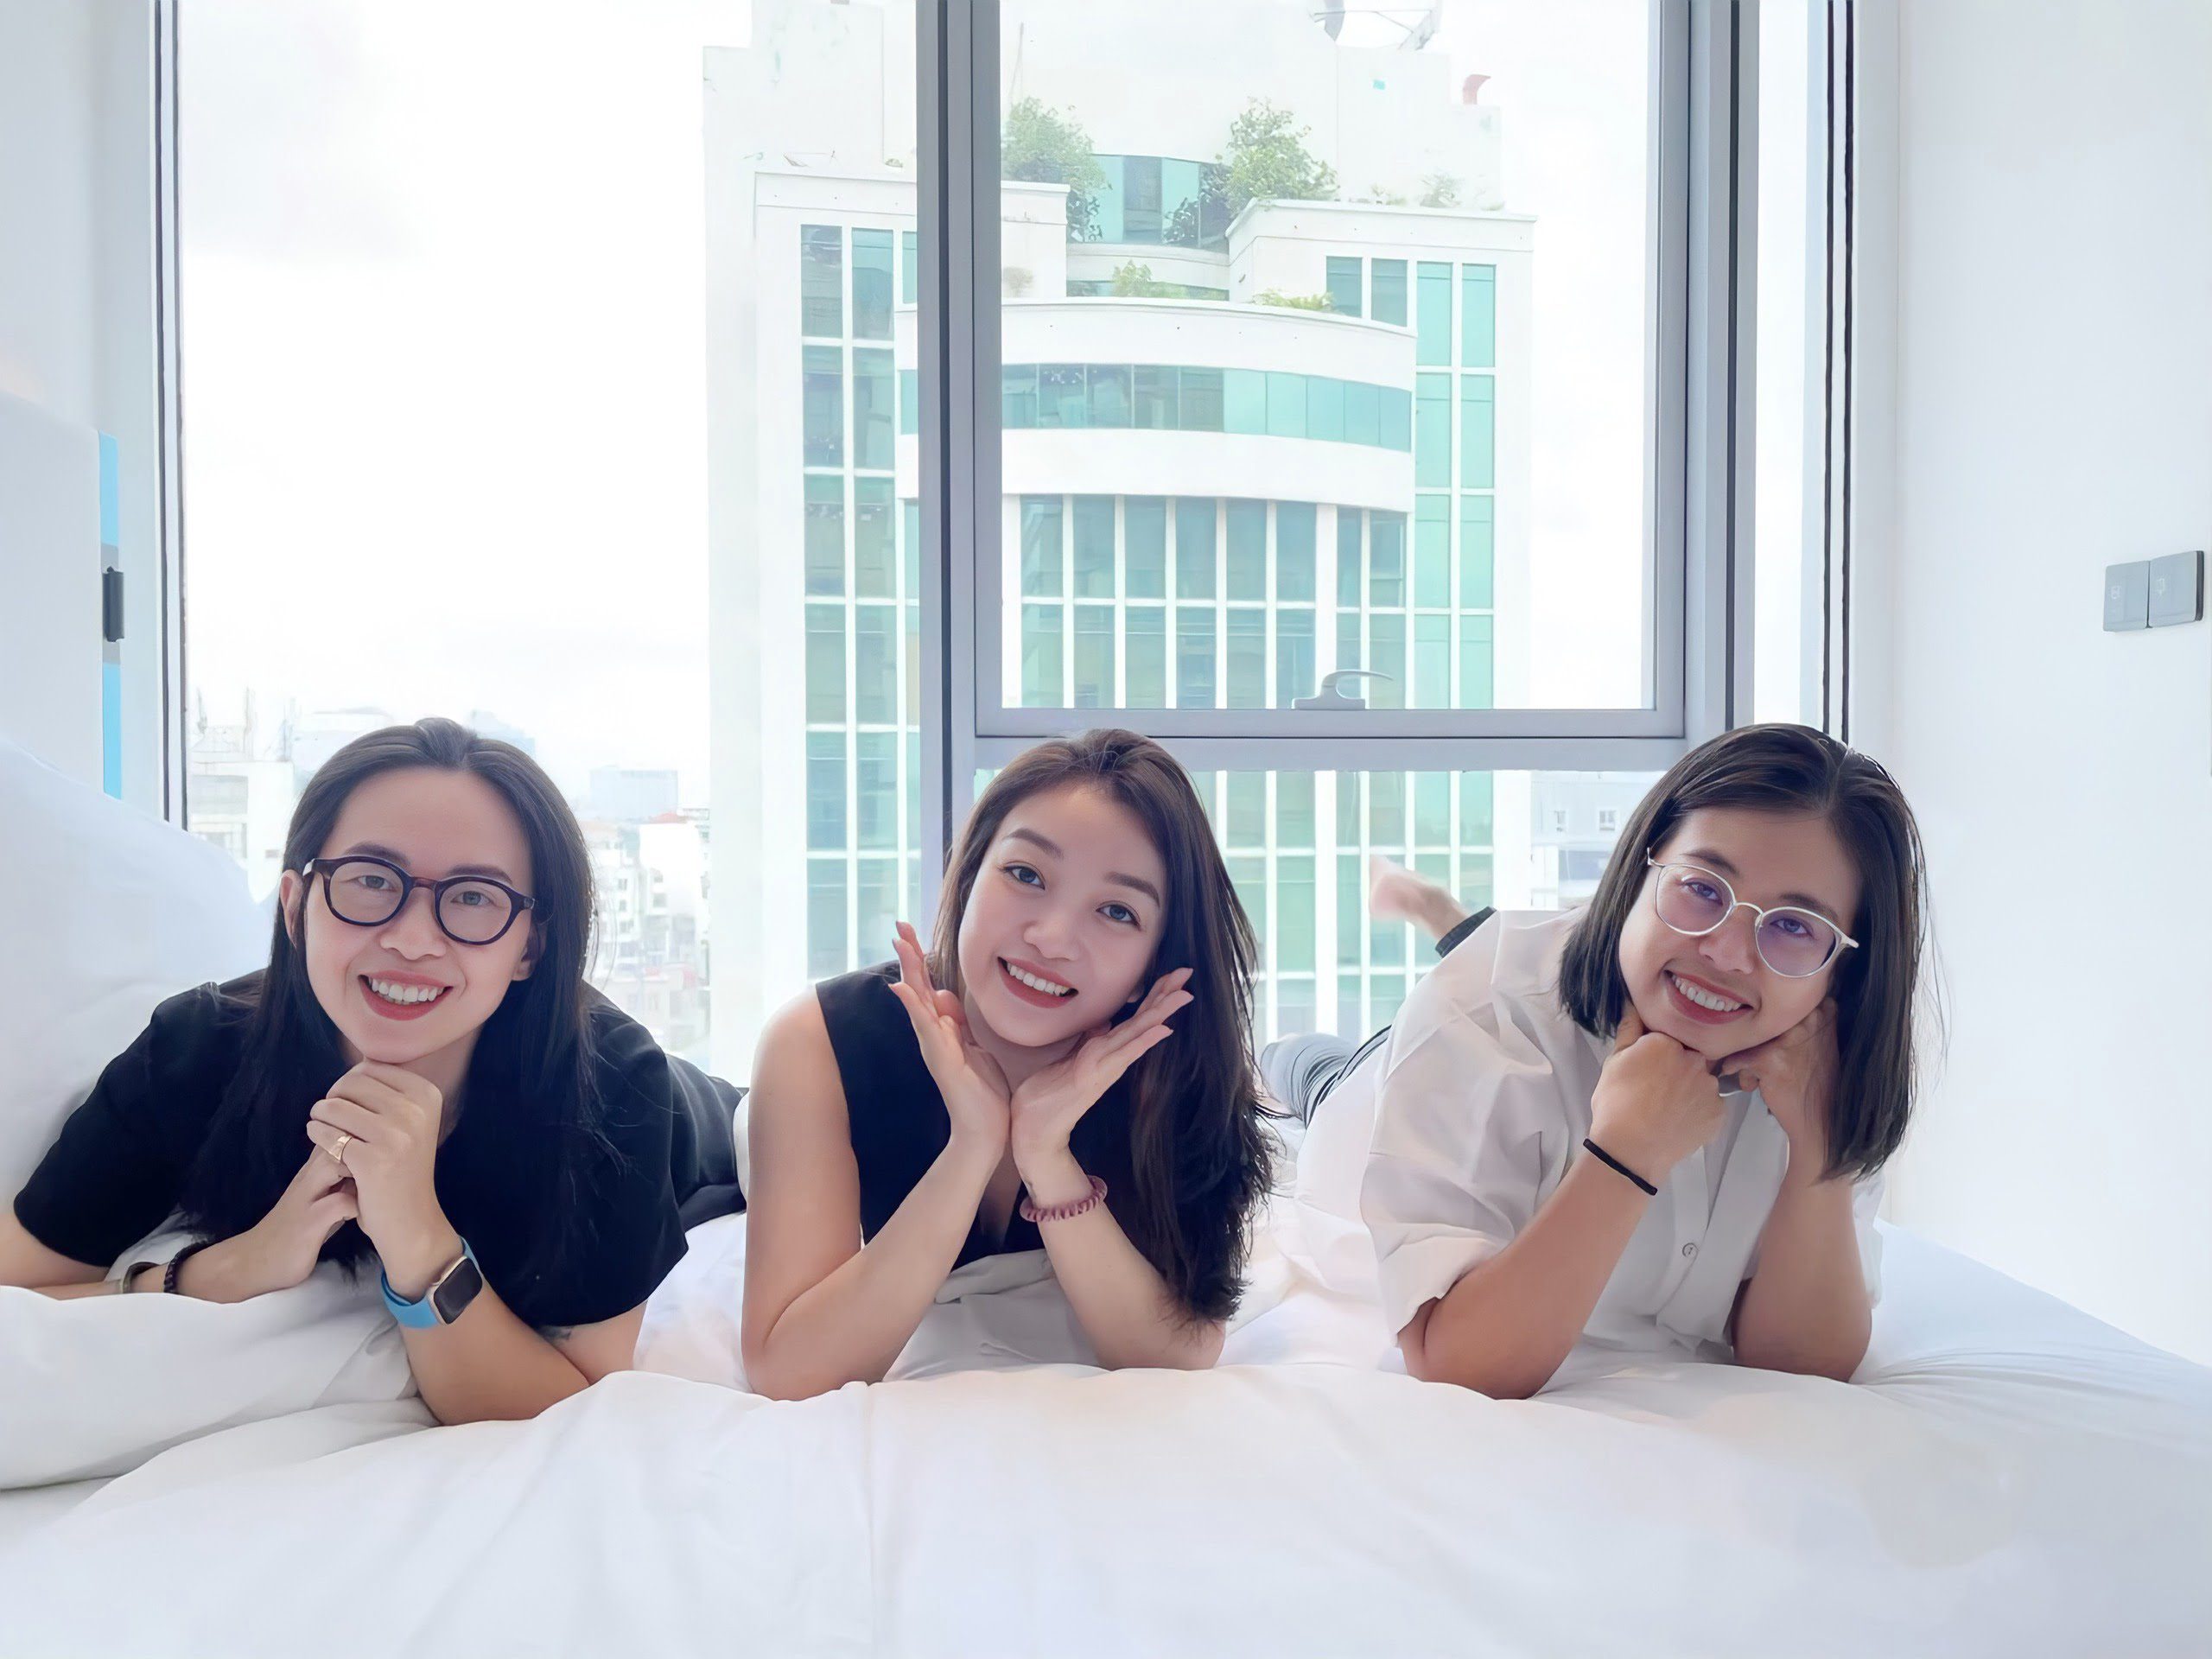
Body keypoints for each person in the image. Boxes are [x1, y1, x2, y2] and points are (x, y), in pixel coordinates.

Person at [1, 718, 742, 1424]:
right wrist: (235, 1268)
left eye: (474, 897)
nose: (413, 940)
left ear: (529, 948)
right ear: (295, 908)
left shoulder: (610, 1084)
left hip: (727, 1143)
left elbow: (576, 1399)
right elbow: (21, 1285)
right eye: (371, 880)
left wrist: (419, 1239)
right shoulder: (195, 1053)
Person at [1351, 725, 1931, 1396]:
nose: (1727, 953)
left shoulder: (1827, 1054)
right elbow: (1455, 1361)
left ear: (1845, 970)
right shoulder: (1480, 1013)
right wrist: (1626, 1154)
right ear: (1641, 866)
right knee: (1312, 1068)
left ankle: (1436, 908)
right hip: (1359, 1089)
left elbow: (1805, 1365)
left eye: (1794, 926)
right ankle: (1428, 907)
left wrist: (1818, 1149)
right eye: (1703, 889)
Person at [741, 728, 1275, 1399]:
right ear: (969, 876)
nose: (1051, 938)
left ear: (1152, 965)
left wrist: (1045, 1153)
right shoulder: (817, 1042)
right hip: (737, 1126)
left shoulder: (1171, 1071)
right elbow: (788, 1370)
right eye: (1026, 875)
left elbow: (1177, 1354)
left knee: (1306, 1071)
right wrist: (973, 1145)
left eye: (1117, 911)